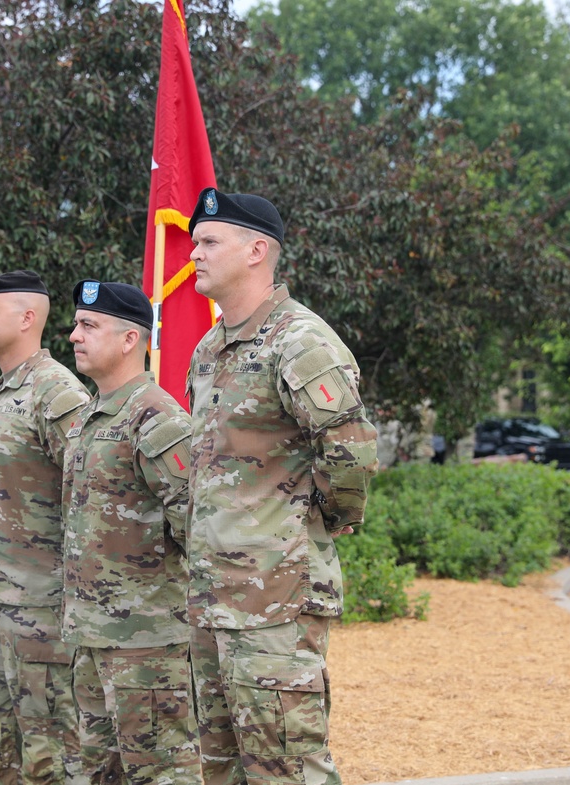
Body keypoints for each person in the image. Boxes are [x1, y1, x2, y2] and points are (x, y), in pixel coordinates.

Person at [184, 189, 379, 785]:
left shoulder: (299, 340)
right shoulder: (209, 349)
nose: (194, 253)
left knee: (286, 766)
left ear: (256, 250)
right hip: (214, 597)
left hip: (277, 596)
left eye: (209, 241)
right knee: (220, 767)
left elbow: (350, 450)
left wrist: (314, 522)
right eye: (195, 242)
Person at [62, 280, 202, 785]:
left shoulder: (157, 418)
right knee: (97, 773)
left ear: (129, 340)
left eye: (88, 325)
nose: (74, 335)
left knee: (163, 773)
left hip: (147, 646)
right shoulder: (91, 417)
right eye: (77, 323)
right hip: (94, 636)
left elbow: (197, 526)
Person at [0, 267, 91, 785]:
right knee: (3, 752)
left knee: (51, 755)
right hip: (1, 601)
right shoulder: (6, 391)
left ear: (28, 317)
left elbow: (91, 490)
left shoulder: (55, 393)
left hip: (42, 605)